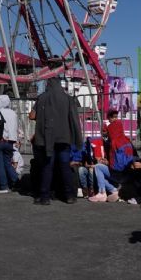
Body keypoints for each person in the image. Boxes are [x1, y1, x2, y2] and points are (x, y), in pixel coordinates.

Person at [30, 77, 83, 205]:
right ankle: (70, 195)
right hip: (64, 138)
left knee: (47, 167)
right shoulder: (68, 99)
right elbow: (74, 120)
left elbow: (32, 115)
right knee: (65, 167)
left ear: (48, 84)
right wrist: (77, 139)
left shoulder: (42, 98)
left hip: (47, 138)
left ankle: (44, 197)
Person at [89, 110, 141, 203]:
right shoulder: (127, 140)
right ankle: (115, 191)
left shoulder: (115, 143)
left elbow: (117, 166)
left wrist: (108, 163)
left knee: (98, 168)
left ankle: (103, 192)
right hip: (130, 174)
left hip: (120, 174)